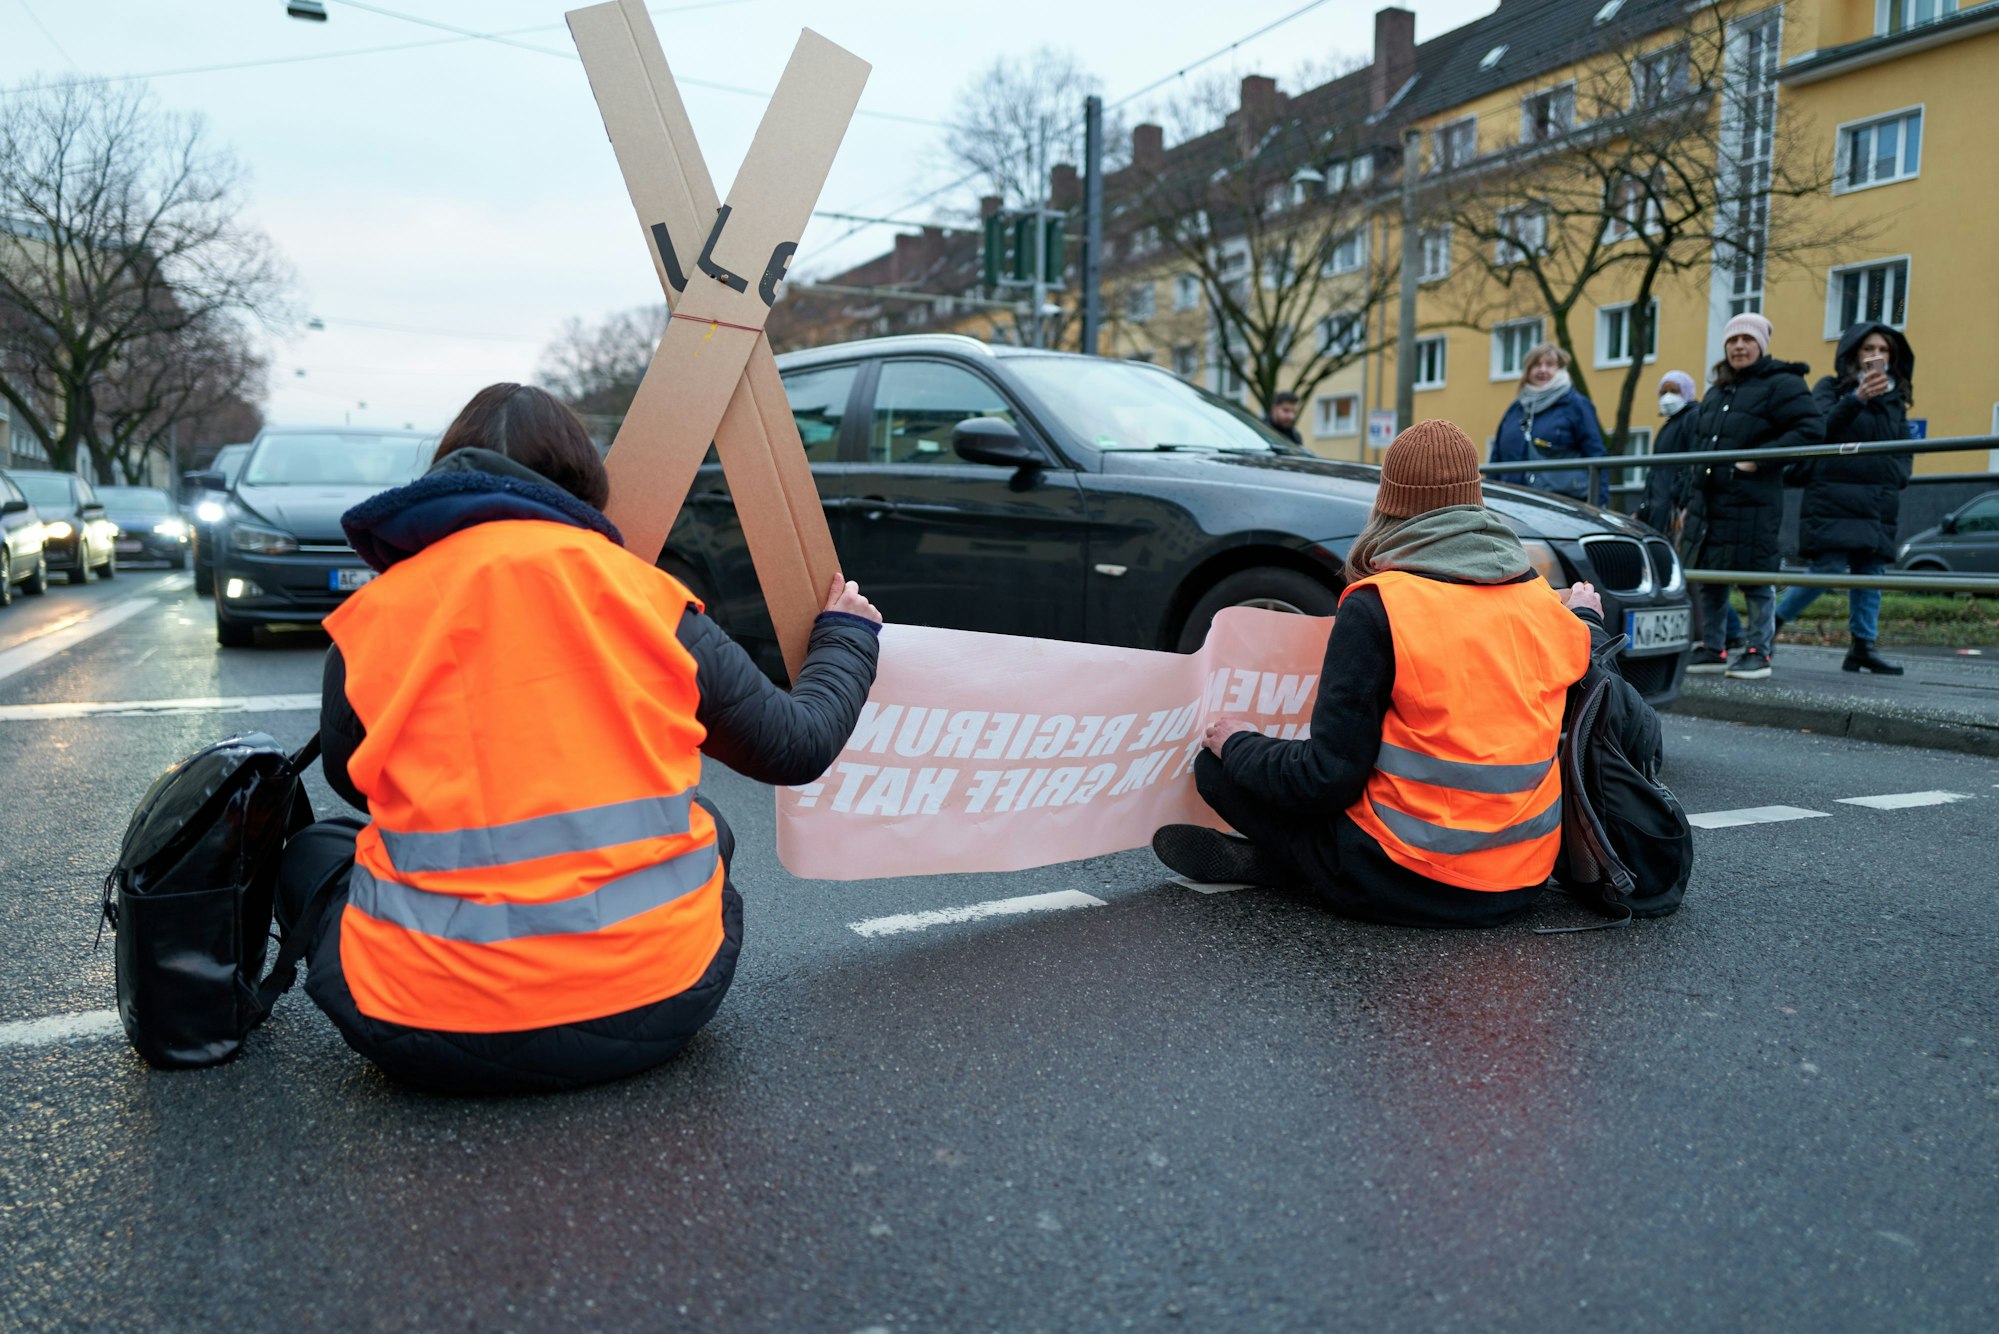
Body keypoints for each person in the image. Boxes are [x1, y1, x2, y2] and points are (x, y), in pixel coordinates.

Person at [275, 384, 881, 1094]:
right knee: (701, 826)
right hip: (664, 1004)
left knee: (314, 850)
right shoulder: (645, 597)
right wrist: (847, 637)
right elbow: (796, 746)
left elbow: (352, 778)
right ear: (585, 483)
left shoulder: (375, 615)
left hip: (425, 1034)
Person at [1151, 419, 1624, 928]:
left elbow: (1324, 780)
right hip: (1521, 881)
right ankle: (1295, 863)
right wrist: (1582, 616)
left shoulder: (1380, 605)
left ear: (1389, 502)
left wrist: (1237, 741)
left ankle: (1286, 863)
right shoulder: (1536, 597)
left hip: (1402, 879)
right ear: (1476, 497)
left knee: (1219, 770)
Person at [1683, 312, 1824, 680]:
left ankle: (1759, 652)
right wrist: (1688, 498)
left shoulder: (1782, 383)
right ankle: (1714, 648)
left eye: (1747, 339)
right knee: (1709, 578)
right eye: (1732, 340)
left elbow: (1811, 429)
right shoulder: (1717, 391)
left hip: (1752, 501)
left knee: (1756, 578)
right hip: (1709, 503)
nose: (1739, 346)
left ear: (1761, 345)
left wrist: (1758, 460)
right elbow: (1699, 447)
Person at [1774, 321, 1915, 675]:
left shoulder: (1896, 399)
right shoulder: (1830, 387)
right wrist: (1856, 399)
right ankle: (1771, 623)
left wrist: (1900, 474)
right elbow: (1820, 429)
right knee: (1828, 567)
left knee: (1872, 571)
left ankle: (1862, 647)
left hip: (1877, 498)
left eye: (1883, 351)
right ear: (1853, 354)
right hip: (1834, 494)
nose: (1876, 357)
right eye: (1869, 350)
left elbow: (1904, 446)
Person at [1634, 368, 1740, 651]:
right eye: (1663, 391)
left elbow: (1690, 465)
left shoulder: (1692, 418)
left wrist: (1683, 502)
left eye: (1674, 391)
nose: (1667, 397)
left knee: (1684, 572)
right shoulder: (1669, 425)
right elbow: (1656, 473)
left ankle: (1721, 630)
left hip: (1676, 509)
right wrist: (1643, 509)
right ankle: (1726, 630)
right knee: (1679, 572)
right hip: (1661, 508)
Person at [1489, 341, 1608, 506]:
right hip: (1512, 503)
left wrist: (1599, 503)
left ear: (1560, 369)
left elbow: (1596, 455)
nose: (1542, 370)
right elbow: (1497, 457)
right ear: (1528, 371)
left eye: (1550, 365)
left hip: (1562, 505)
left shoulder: (1575, 405)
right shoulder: (1516, 409)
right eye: (1536, 365)